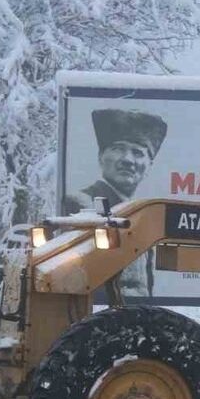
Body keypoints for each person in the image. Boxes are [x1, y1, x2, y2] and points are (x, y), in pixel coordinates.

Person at [63, 109, 168, 297]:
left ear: (149, 167)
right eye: (118, 148)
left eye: (138, 152)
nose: (128, 160)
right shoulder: (80, 204)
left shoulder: (141, 215)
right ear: (101, 157)